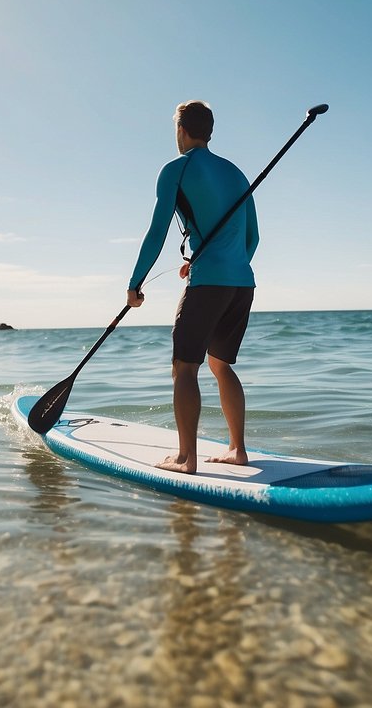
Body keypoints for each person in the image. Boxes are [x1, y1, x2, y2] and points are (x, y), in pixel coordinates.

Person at [127, 101, 259, 474]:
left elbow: (157, 231)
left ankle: (186, 459)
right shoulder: (236, 172)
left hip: (210, 283)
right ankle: (238, 449)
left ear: (181, 130)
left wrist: (135, 282)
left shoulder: (176, 169)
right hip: (241, 283)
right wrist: (219, 260)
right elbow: (252, 238)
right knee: (220, 364)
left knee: (184, 368)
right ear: (210, 131)